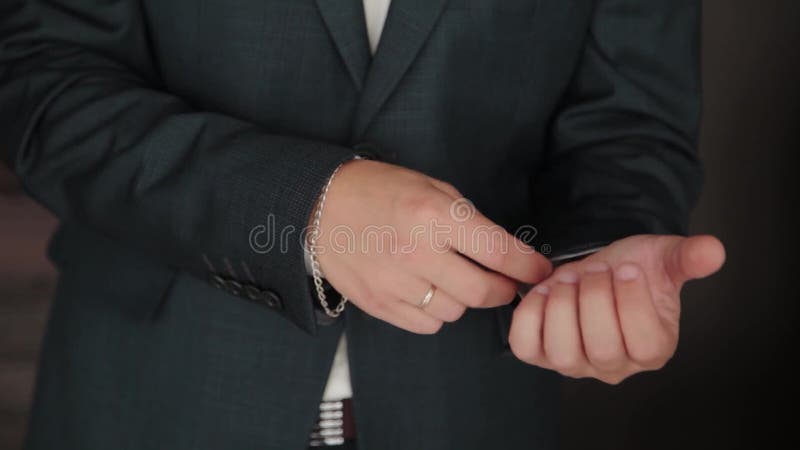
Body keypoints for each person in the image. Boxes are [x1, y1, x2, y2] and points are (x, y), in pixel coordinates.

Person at [0, 0, 725, 449]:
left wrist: (604, 256)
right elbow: (41, 80)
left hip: (468, 408)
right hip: (154, 395)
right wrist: (303, 208)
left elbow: (627, 123)